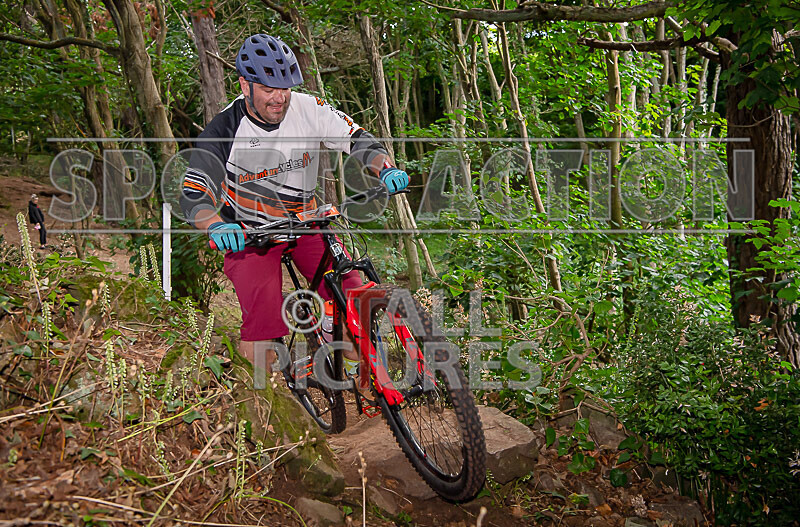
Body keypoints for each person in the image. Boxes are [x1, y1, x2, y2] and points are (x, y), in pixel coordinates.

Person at [180, 34, 409, 373]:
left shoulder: (307, 107)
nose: (279, 98)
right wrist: (215, 225)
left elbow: (357, 139)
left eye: (284, 87)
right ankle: (263, 408)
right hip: (249, 235)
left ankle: (366, 377)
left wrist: (384, 168)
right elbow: (194, 190)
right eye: (268, 89)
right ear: (245, 85)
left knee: (355, 303)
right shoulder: (223, 130)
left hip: (305, 223)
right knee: (262, 338)